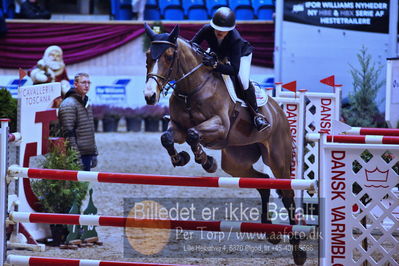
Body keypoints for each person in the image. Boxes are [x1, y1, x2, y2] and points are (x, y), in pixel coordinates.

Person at [191, 7, 270, 131]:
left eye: (223, 30)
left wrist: (216, 65)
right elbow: (193, 44)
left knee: (243, 82)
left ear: (230, 29)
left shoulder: (235, 39)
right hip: (218, 53)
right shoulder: (207, 29)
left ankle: (256, 115)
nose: (219, 32)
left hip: (241, 56)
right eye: (217, 28)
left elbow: (234, 70)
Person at [58, 73, 98, 171]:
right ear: (75, 84)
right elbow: (68, 133)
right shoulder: (69, 104)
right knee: (76, 184)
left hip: (87, 153)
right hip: (77, 155)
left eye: (88, 83)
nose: (87, 85)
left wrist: (94, 152)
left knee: (85, 184)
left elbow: (90, 130)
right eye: (83, 82)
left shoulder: (86, 102)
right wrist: (75, 156)